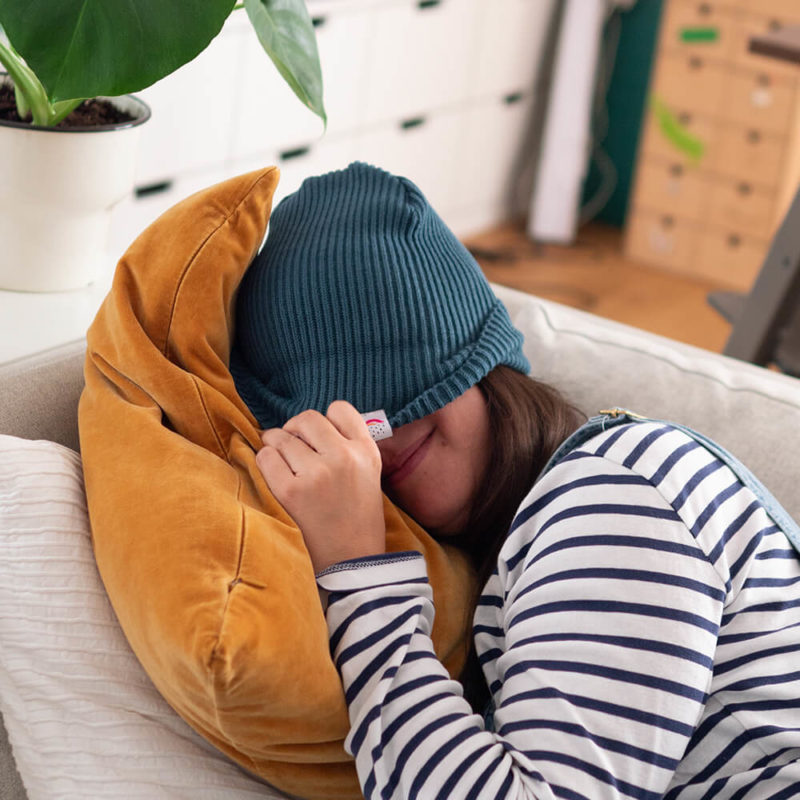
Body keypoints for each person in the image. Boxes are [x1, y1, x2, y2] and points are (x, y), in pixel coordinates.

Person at [230, 162, 800, 798]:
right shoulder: (504, 572)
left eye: (392, 370)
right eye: (330, 432)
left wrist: (357, 571)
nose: (373, 436)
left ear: (471, 352)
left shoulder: (619, 489)